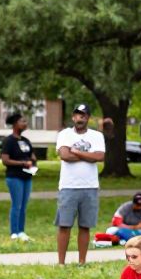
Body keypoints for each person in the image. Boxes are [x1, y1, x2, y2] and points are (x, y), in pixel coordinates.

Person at [55, 104, 105, 265]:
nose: (80, 117)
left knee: (85, 226)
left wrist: (76, 152)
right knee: (64, 225)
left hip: (90, 186)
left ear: (88, 118)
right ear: (73, 117)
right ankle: (61, 263)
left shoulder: (96, 136)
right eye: (77, 114)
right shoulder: (65, 134)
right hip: (68, 186)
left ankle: (82, 262)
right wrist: (88, 156)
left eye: (83, 115)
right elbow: (64, 155)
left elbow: (99, 156)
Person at [1, 112, 36, 242]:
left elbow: (32, 155)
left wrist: (33, 162)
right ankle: (14, 232)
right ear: (15, 124)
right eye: (23, 121)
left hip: (27, 177)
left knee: (24, 205)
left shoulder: (26, 141)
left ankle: (21, 231)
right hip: (14, 177)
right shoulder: (9, 141)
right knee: (17, 205)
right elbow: (5, 160)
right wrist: (22, 163)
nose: (25, 124)